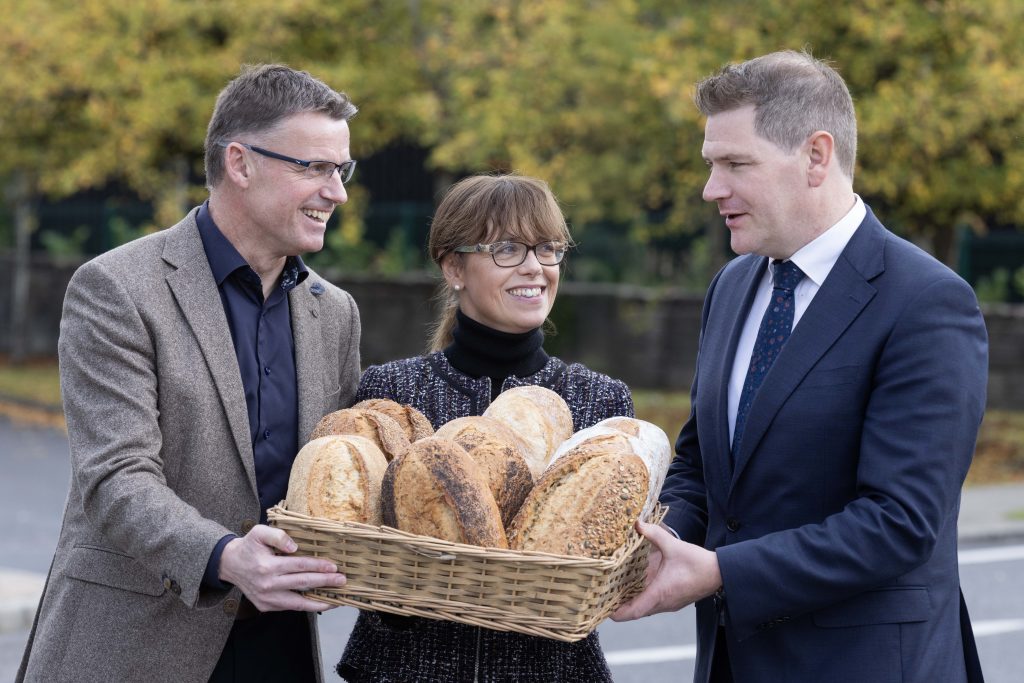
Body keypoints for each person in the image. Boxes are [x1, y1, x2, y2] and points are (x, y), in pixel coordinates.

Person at [612, 50, 988, 683]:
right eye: (711, 165)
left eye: (736, 164)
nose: (711, 189)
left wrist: (721, 572)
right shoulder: (731, 286)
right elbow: (701, 469)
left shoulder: (927, 302)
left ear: (816, 156)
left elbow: (900, 523)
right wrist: (649, 544)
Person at [18, 64, 362, 683]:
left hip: (279, 647)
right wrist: (226, 556)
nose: (335, 192)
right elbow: (116, 477)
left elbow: (340, 472)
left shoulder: (334, 312)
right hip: (132, 648)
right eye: (314, 167)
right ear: (241, 163)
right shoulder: (117, 288)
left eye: (342, 170)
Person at [336, 173, 634, 682]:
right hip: (404, 669)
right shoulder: (392, 392)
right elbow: (364, 547)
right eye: (507, 249)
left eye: (547, 248)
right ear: (454, 267)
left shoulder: (600, 401)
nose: (535, 267)